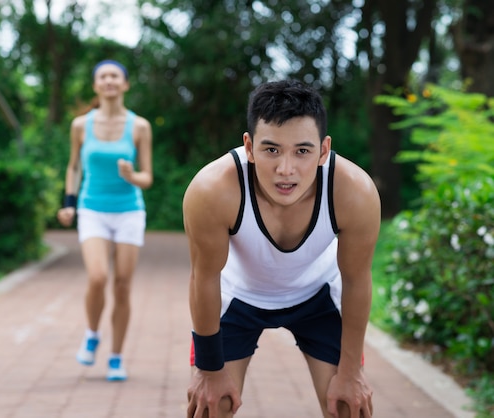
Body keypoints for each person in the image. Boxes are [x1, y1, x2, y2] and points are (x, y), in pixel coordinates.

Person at [183, 79, 380, 418]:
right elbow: (204, 278)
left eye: (302, 151)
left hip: (317, 296)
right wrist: (209, 371)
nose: (285, 170)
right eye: (271, 149)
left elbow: (357, 280)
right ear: (248, 146)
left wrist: (351, 372)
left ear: (323, 149)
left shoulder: (354, 192)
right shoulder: (212, 189)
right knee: (211, 407)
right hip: (239, 297)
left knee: (349, 406)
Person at [57, 59, 153, 382]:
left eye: (115, 76)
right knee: (97, 277)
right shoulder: (80, 125)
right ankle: (92, 333)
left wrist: (132, 175)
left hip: (129, 210)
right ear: (96, 85)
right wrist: (68, 203)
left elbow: (147, 177)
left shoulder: (139, 126)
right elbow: (73, 167)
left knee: (123, 286)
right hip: (92, 208)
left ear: (125, 84)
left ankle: (115, 357)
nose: (109, 80)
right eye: (103, 76)